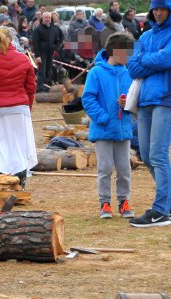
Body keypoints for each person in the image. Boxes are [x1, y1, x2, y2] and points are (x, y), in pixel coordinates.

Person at [82, 32, 135, 219]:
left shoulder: (129, 72)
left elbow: (136, 97)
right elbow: (88, 99)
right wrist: (103, 117)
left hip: (123, 129)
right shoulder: (96, 72)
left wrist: (128, 104)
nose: (128, 56)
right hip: (103, 129)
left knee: (124, 168)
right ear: (114, 51)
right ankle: (105, 203)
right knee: (104, 168)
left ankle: (124, 201)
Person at [127, 0, 171, 227]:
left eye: (162, 8)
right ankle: (168, 203)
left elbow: (167, 58)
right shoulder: (144, 37)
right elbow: (131, 66)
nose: (157, 12)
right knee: (145, 154)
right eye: (155, 8)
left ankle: (162, 209)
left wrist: (146, 59)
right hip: (144, 102)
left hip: (166, 100)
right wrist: (154, 60)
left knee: (159, 154)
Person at [0, 26, 37, 189]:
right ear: (11, 39)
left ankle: (4, 180)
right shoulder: (24, 59)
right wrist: (27, 106)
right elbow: (31, 87)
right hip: (19, 107)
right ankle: (20, 183)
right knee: (20, 146)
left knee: (1, 146)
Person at [32, 12, 63, 92]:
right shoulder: (38, 29)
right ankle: (40, 88)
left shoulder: (55, 28)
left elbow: (61, 38)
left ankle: (47, 86)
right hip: (41, 53)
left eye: (49, 17)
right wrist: (37, 56)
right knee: (42, 71)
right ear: (42, 18)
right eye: (46, 18)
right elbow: (35, 43)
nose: (47, 19)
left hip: (51, 53)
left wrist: (56, 48)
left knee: (48, 70)